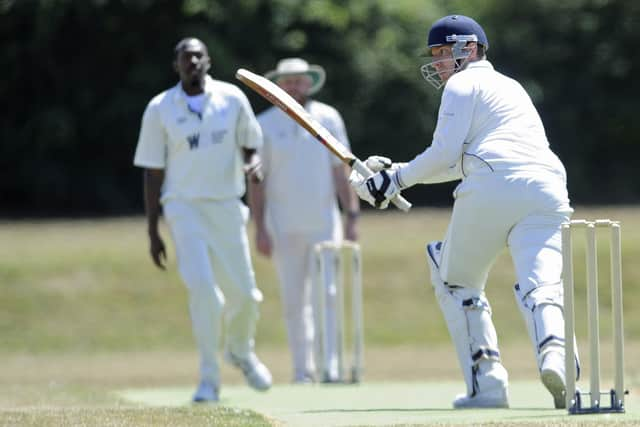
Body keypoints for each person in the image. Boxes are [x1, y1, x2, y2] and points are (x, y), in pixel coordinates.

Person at [351, 15, 573, 409]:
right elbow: (462, 162)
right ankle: (556, 355)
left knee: (454, 278)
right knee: (542, 282)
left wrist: (393, 182)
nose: (436, 63)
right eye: (434, 54)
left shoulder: (462, 84)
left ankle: (487, 386)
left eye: (441, 53)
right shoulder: (511, 86)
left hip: (492, 186)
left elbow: (445, 154)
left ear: (467, 48)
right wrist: (396, 174)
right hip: (548, 186)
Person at [133, 37, 272, 403]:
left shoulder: (231, 98)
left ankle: (240, 350)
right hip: (184, 207)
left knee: (246, 295)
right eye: (185, 57)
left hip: (226, 205)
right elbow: (152, 171)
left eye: (198, 56)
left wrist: (254, 163)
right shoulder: (160, 108)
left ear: (208, 61)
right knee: (205, 293)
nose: (192, 61)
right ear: (176, 65)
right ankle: (208, 380)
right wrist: (153, 231)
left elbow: (251, 144)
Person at [248, 58, 360, 383]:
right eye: (287, 82)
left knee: (328, 296)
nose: (293, 87)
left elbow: (340, 171)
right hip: (282, 226)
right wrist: (260, 228)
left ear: (309, 84)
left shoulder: (328, 118)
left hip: (325, 224)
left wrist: (351, 215)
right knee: (294, 302)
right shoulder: (264, 124)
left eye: (299, 81)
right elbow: (258, 181)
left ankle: (331, 368)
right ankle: (302, 370)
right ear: (277, 86)